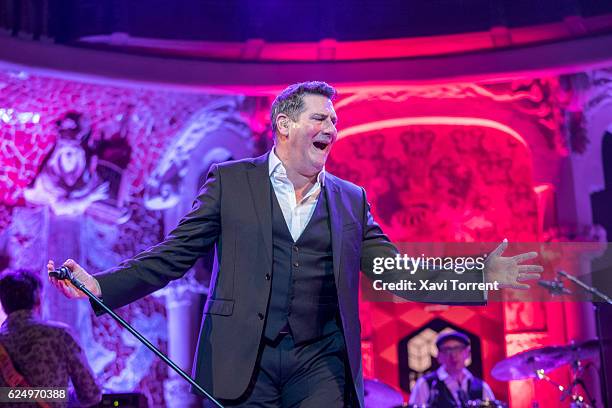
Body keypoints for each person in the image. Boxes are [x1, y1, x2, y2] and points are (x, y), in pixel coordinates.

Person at [48, 81, 542, 407]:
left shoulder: (350, 200)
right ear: (283, 124)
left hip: (320, 360)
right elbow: (174, 256)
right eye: (318, 118)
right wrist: (100, 286)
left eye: (333, 121)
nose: (331, 128)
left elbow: (395, 271)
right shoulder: (230, 182)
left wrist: (478, 274)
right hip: (244, 359)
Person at [0, 269, 101, 407]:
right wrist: (58, 396)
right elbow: (91, 394)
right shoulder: (59, 335)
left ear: (4, 304)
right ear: (38, 299)